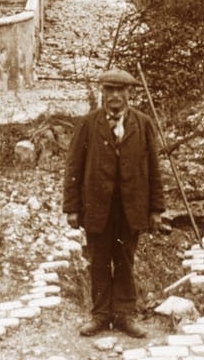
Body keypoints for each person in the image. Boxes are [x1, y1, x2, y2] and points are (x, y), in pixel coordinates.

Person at [63, 68, 165, 338]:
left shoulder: (142, 124)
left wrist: (156, 208)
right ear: (102, 93)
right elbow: (73, 167)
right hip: (97, 206)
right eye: (110, 90)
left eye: (121, 91)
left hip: (131, 207)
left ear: (129, 93)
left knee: (125, 260)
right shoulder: (87, 124)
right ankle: (99, 315)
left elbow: (154, 169)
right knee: (98, 261)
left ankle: (123, 315)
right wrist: (72, 207)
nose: (115, 96)